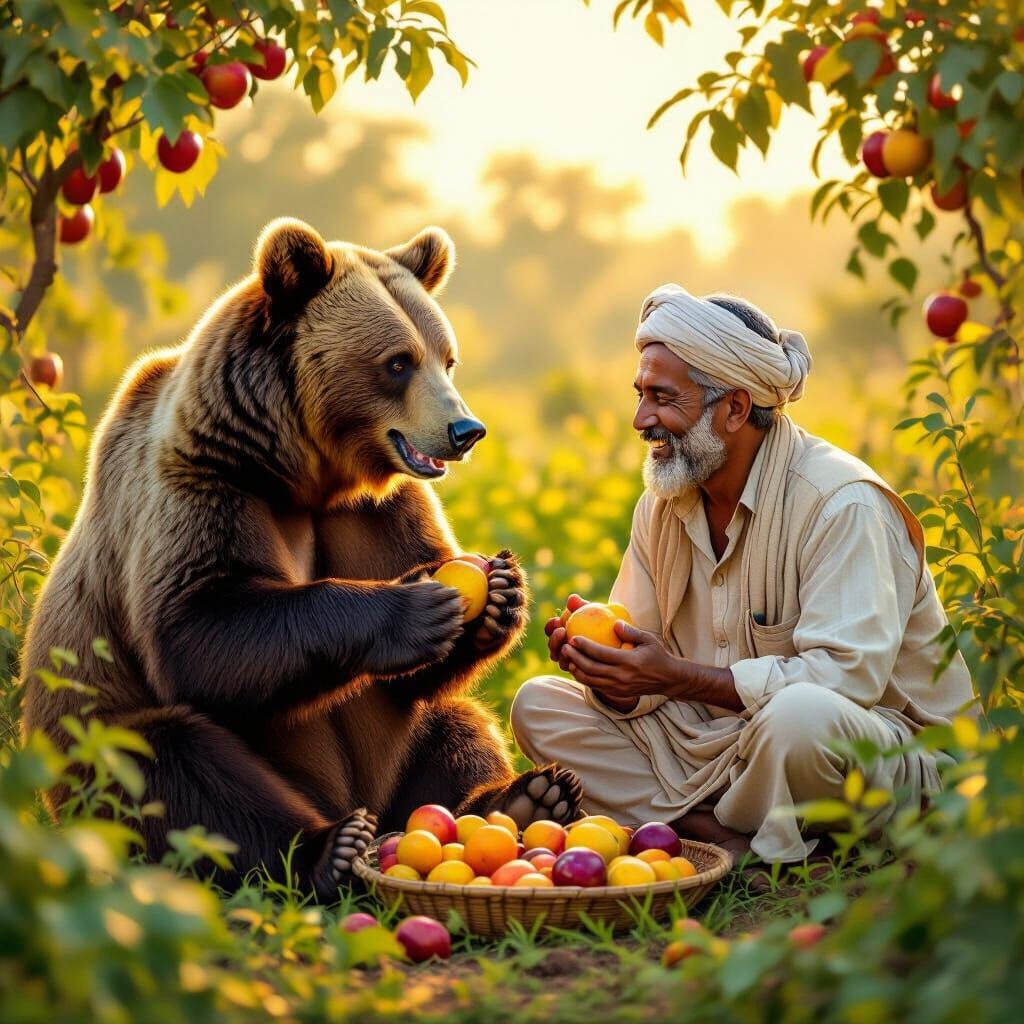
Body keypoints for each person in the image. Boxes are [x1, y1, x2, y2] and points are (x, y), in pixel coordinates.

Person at [510, 284, 974, 864]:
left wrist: (677, 677)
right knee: (540, 705)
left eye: (663, 398)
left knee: (800, 718)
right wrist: (610, 675)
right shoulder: (663, 504)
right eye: (641, 395)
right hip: (721, 748)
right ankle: (727, 835)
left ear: (734, 408)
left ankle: (704, 828)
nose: (641, 419)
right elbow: (644, 666)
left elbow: (843, 683)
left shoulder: (841, 503)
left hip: (871, 752)